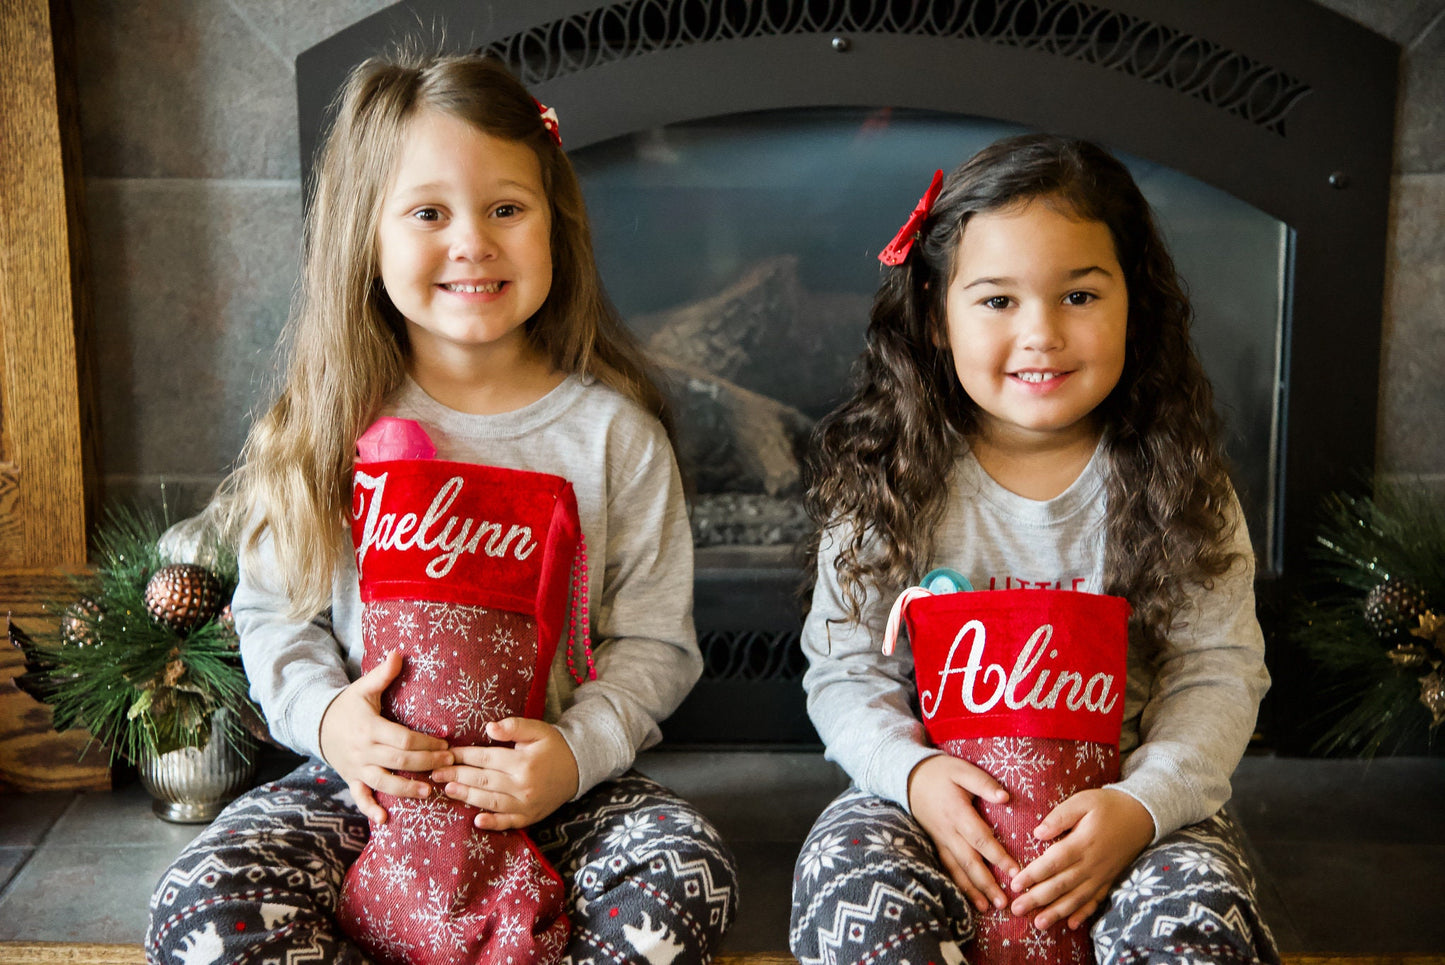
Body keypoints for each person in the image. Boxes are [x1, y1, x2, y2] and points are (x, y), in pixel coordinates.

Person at [146, 50, 737, 965]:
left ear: (554, 224)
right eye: (428, 212)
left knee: (683, 871)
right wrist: (331, 720)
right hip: (364, 794)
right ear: (366, 233)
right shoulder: (325, 428)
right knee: (200, 907)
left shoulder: (612, 437)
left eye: (507, 208)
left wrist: (573, 755)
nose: (473, 241)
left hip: (546, 794)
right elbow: (272, 613)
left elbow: (655, 643)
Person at [789, 133, 1279, 965]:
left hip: (1125, 809)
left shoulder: (1180, 483)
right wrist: (911, 776)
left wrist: (1141, 805)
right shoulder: (887, 477)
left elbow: (1217, 669)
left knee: (1198, 918)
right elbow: (843, 668)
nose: (1041, 333)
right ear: (937, 316)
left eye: (1079, 296)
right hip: (929, 806)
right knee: (851, 889)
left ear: (1136, 304)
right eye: (996, 300)